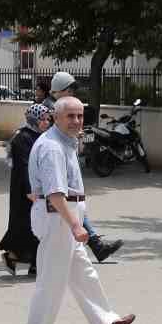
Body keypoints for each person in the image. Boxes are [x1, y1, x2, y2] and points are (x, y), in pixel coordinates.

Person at [17, 97, 135, 324]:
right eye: (70, 116)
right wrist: (75, 225)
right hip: (58, 217)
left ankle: (105, 322)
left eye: (80, 116)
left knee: (83, 272)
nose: (76, 121)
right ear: (55, 118)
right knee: (51, 281)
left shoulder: (64, 142)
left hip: (63, 217)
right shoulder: (53, 148)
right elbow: (56, 194)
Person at [42, 71, 123, 263]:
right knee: (66, 206)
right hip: (55, 166)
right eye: (69, 90)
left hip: (65, 163)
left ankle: (95, 244)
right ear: (60, 90)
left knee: (76, 205)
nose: (72, 94)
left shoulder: (61, 107)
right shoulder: (49, 109)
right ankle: (94, 244)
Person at [0, 102, 51, 277]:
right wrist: (30, 190)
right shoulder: (23, 138)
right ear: (34, 120)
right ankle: (15, 257)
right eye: (43, 119)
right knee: (27, 224)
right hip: (25, 189)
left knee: (38, 224)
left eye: (47, 119)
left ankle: (34, 263)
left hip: (38, 187)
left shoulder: (40, 136)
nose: (47, 122)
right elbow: (24, 166)